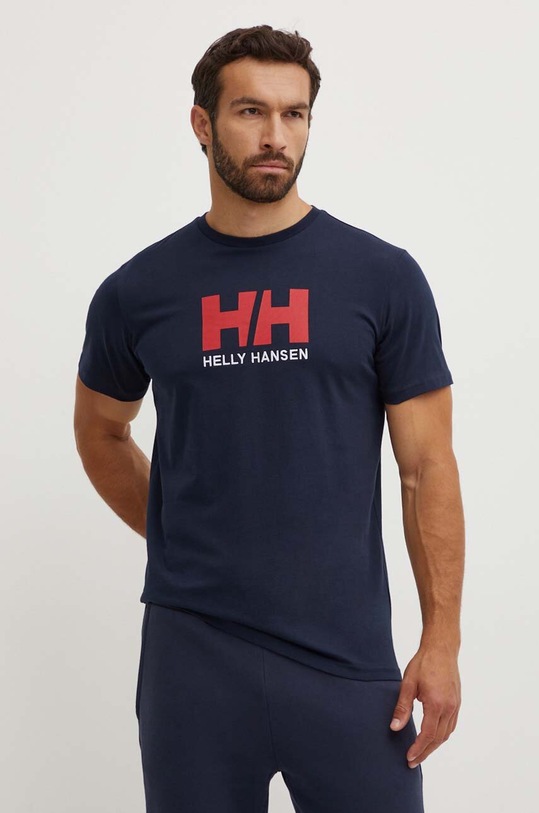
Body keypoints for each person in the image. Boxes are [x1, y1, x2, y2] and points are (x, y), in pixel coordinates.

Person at [74, 24, 465, 813]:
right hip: (194, 657)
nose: (275, 137)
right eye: (250, 111)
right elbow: (101, 431)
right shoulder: (137, 291)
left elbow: (425, 467)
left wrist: (441, 640)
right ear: (202, 122)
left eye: (294, 114)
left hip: (347, 658)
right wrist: (182, 531)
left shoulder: (381, 277)